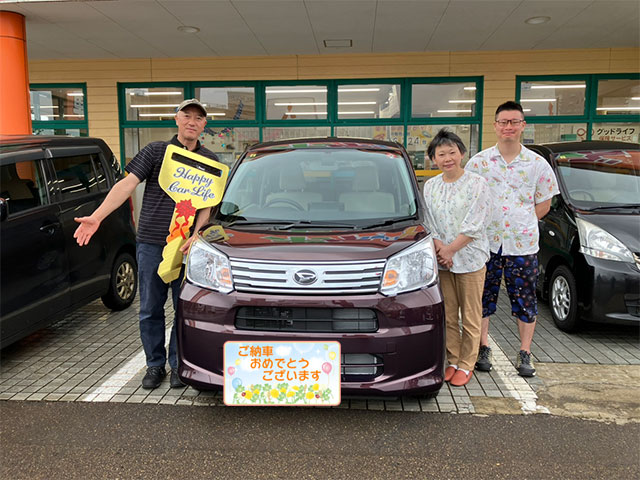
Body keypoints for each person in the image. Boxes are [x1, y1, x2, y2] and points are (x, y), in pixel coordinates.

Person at [73, 99, 218, 389]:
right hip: (152, 243)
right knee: (150, 307)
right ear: (176, 119)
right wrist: (97, 216)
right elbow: (127, 184)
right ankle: (155, 365)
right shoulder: (156, 151)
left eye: (198, 118)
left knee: (183, 308)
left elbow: (208, 204)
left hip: (186, 247)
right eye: (186, 115)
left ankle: (178, 364)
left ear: (204, 125)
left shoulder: (209, 160)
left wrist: (197, 234)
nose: (192, 122)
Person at [465, 101, 559, 377]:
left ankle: (525, 351)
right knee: (483, 297)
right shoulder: (479, 163)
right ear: (495, 126)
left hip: (523, 245)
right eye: (503, 122)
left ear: (522, 126)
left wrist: (524, 222)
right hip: (487, 244)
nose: (508, 127)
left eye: (514, 122)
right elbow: (469, 200)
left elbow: (544, 203)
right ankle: (483, 347)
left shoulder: (537, 164)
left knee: (525, 299)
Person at [423, 129, 491, 387]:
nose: (447, 158)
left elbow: (476, 222)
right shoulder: (431, 186)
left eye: (452, 152)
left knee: (471, 314)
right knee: (449, 314)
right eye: (441, 154)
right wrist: (441, 248)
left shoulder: (477, 184)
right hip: (443, 261)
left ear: (462, 153)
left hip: (470, 259)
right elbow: (429, 221)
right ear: (433, 159)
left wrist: (451, 249)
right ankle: (452, 360)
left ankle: (467, 363)